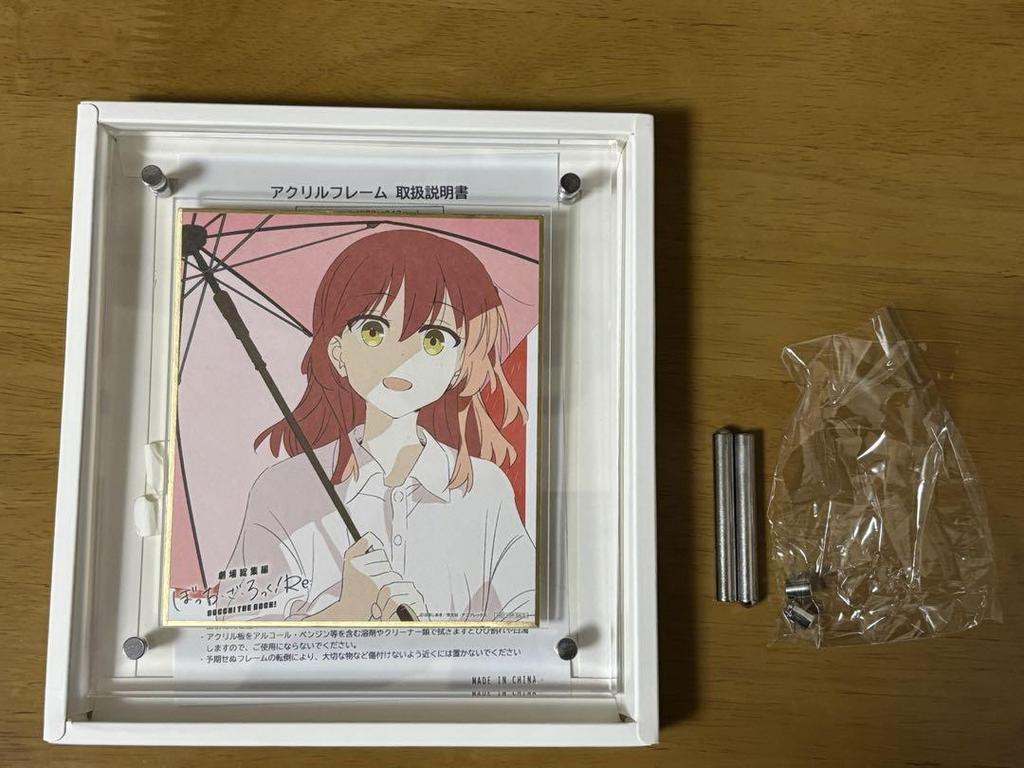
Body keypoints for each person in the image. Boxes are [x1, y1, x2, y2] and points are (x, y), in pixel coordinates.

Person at [221, 229, 535, 623]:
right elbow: (236, 633)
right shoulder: (283, 489)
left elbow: (530, 617)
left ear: (461, 363)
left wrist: (435, 635)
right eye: (374, 332)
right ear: (337, 353)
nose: (401, 357)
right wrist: (345, 611)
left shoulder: (483, 490)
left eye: (434, 339)